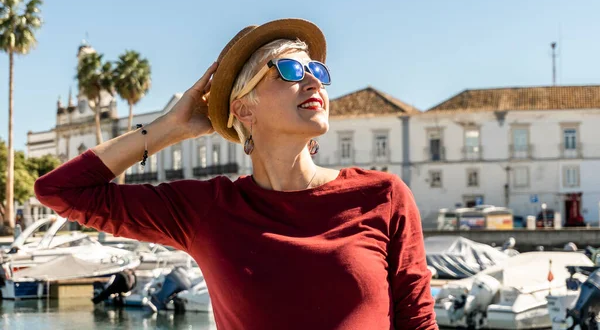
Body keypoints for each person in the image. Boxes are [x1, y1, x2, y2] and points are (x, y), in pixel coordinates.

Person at [35, 18, 437, 329]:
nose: (314, 79)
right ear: (245, 109)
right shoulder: (206, 210)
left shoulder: (383, 196)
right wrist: (170, 127)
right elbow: (62, 191)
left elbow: (418, 323)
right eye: (290, 71)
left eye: (317, 70)